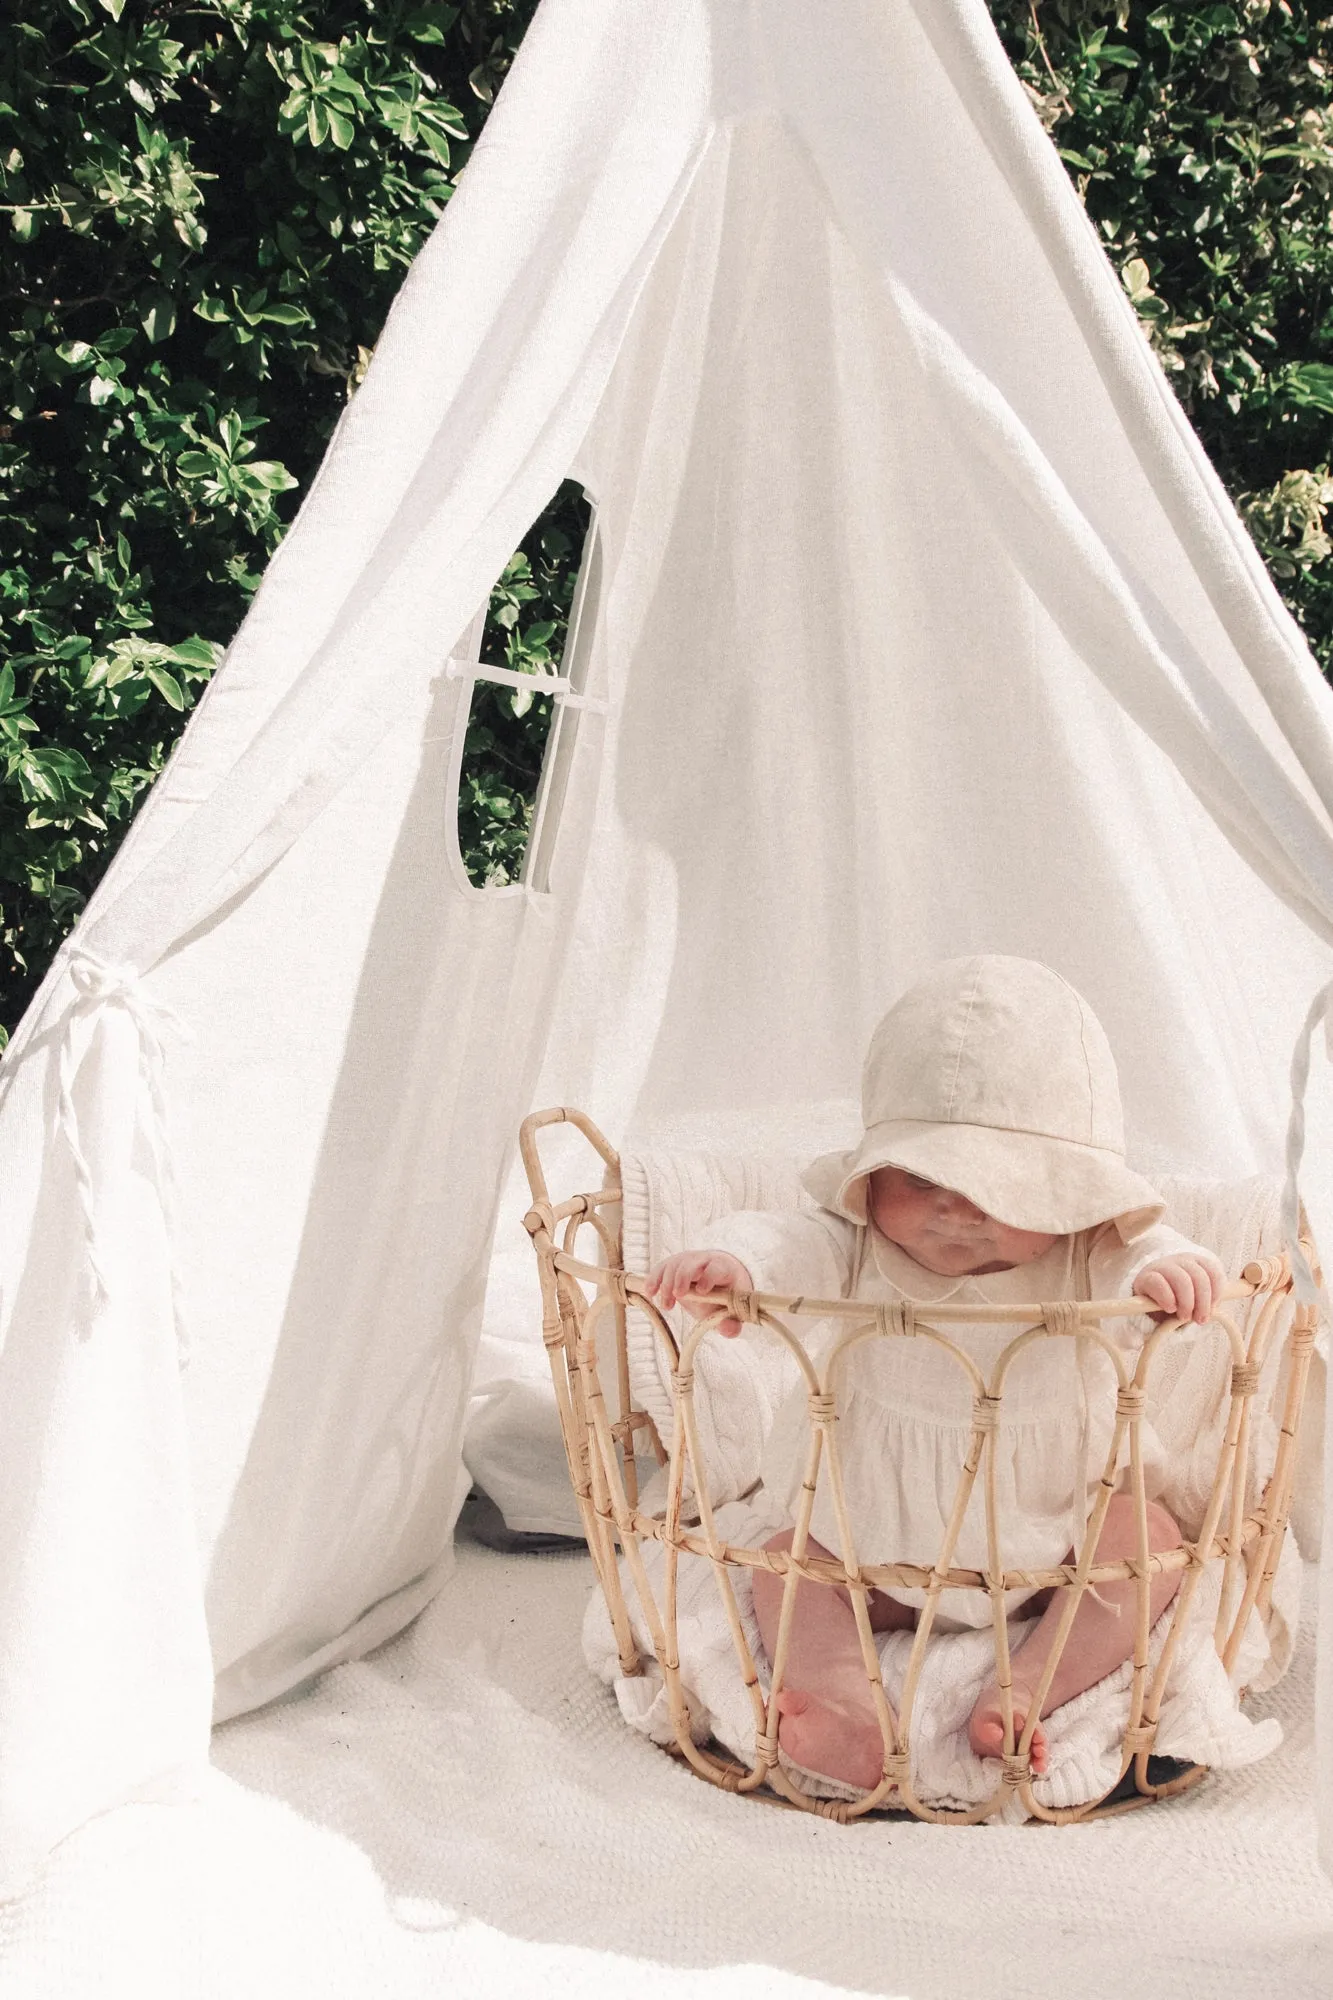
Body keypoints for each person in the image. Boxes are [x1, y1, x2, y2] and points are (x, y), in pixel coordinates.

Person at [645, 956, 1226, 1791]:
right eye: (919, 1179)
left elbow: (1145, 1250)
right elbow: (787, 1240)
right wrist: (735, 1268)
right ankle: (844, 1701)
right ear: (869, 1176)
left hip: (1054, 1552)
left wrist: (1170, 1273)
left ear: (1069, 1195)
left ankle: (1028, 1683)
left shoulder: (1089, 1253)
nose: (954, 1210)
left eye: (1000, 1189)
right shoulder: (855, 1245)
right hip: (874, 1555)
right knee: (785, 1564)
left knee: (1151, 1546)